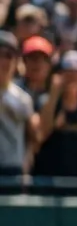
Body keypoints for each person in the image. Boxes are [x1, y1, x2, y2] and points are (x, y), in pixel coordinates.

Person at [29, 50, 77, 195]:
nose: (72, 79)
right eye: (68, 74)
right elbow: (39, 137)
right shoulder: (46, 102)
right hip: (47, 186)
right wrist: (54, 95)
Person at [0, 32, 31, 192]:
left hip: (13, 169)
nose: (3, 61)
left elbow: (32, 140)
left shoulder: (22, 98)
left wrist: (25, 169)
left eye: (8, 56)